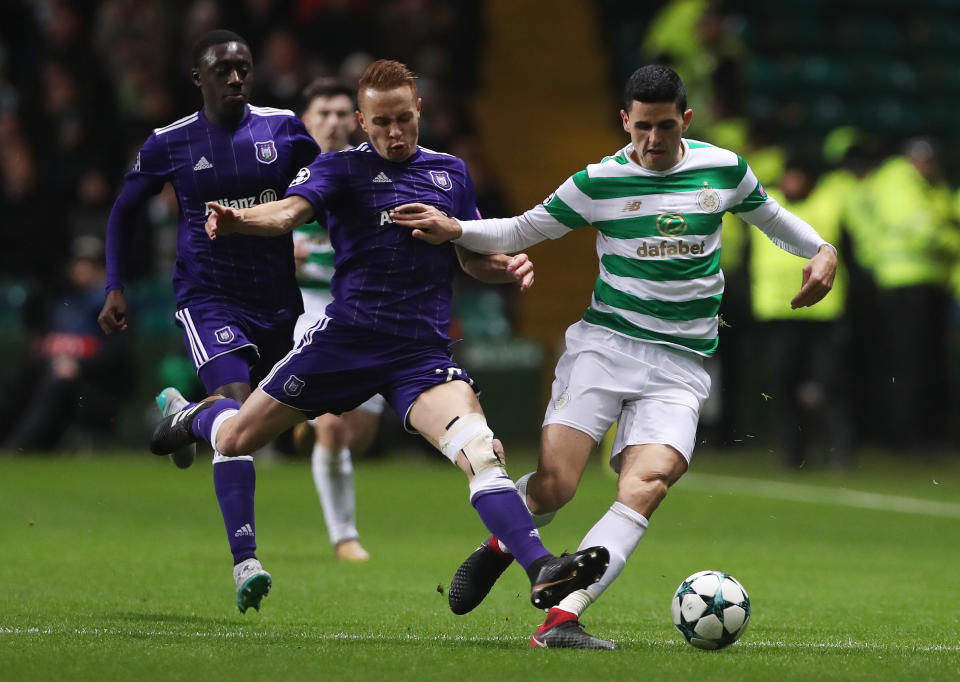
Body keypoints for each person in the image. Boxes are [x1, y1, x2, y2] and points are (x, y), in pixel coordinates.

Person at [391, 64, 838, 649]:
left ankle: (562, 618)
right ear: (624, 121)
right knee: (555, 487)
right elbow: (520, 231)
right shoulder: (598, 183)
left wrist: (822, 249)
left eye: (666, 127)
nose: (653, 141)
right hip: (605, 347)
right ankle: (505, 541)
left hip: (682, 363)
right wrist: (455, 229)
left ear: (687, 120)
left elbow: (773, 220)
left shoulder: (723, 170)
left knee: (648, 483)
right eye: (642, 128)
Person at [149, 59, 611, 626]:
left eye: (404, 121)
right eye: (382, 123)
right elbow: (291, 212)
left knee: (481, 450)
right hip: (344, 343)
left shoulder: (451, 173)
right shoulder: (341, 169)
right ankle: (190, 415)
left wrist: (505, 266)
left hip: (418, 355)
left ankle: (542, 566)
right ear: (362, 122)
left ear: (419, 110)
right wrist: (241, 220)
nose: (395, 134)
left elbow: (469, 256)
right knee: (240, 435)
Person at [98, 29, 320, 613]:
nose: (236, 78)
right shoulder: (171, 142)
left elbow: (329, 195)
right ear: (198, 77)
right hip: (208, 296)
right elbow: (123, 212)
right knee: (236, 403)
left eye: (244, 68)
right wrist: (114, 285)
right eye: (222, 70)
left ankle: (183, 413)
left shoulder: (285, 128)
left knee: (266, 423)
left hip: (278, 300)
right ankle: (245, 560)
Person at [293, 77, 380, 562]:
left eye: (343, 113)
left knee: (358, 435)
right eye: (323, 112)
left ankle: (302, 421)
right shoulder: (285, 169)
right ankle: (345, 536)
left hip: (364, 307)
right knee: (333, 427)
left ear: (357, 120)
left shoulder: (373, 171)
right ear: (306, 120)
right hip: (308, 307)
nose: (333, 121)